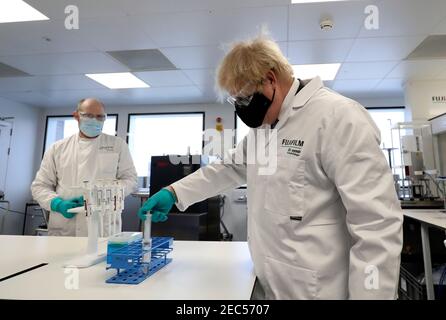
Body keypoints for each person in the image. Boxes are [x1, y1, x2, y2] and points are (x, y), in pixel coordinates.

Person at [137, 36, 403, 299]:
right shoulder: (263, 129)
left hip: (320, 290)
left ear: (271, 79)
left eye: (244, 99)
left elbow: (376, 224)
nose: (242, 109)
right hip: (267, 284)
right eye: (236, 102)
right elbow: (227, 168)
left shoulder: (338, 118)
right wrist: (174, 192)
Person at [32, 98, 137, 236]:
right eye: (89, 115)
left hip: (103, 226)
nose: (94, 120)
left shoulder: (117, 145)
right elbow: (40, 186)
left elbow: (130, 180)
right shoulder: (58, 148)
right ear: (76, 116)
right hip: (65, 227)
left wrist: (101, 195)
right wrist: (57, 203)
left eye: (100, 116)